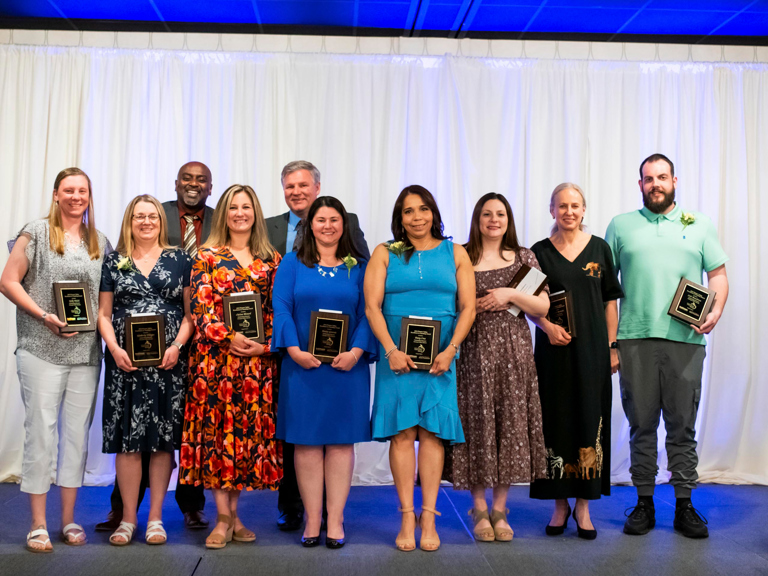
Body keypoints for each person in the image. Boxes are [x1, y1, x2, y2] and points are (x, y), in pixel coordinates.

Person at [606, 154, 729, 539]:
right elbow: (608, 293)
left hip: (686, 341)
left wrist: (717, 309)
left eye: (662, 177)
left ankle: (684, 505)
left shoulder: (699, 224)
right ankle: (643, 503)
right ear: (639, 184)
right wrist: (612, 344)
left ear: (674, 180)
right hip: (634, 339)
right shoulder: (620, 226)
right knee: (641, 424)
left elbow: (719, 274)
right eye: (648, 178)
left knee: (682, 425)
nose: (655, 183)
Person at [96, 161, 213, 532]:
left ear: (161, 221)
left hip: (168, 362)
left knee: (163, 442)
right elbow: (103, 313)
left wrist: (178, 345)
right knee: (129, 444)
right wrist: (114, 349)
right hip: (125, 362)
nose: (146, 221)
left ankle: (157, 518)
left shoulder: (180, 260)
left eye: (152, 216)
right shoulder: (114, 261)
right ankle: (128, 519)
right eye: (139, 216)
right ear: (130, 221)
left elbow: (190, 313)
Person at [0, 167, 110, 552]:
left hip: (85, 352)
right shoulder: (36, 231)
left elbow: (104, 302)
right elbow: (8, 280)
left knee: (77, 438)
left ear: (89, 196)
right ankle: (37, 523)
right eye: (69, 190)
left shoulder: (101, 240)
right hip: (40, 348)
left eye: (83, 190)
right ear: (56, 194)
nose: (76, 196)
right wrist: (43, 316)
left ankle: (68, 520)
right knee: (41, 434)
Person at [364, 185, 475, 552]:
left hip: (441, 358)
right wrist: (391, 350)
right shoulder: (384, 252)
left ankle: (429, 516)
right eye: (408, 211)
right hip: (396, 357)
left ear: (434, 213)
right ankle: (406, 516)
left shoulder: (455, 252)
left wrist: (451, 350)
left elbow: (468, 308)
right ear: (400, 218)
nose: (417, 217)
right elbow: (372, 307)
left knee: (432, 434)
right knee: (401, 435)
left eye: (423, 209)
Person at [265, 160, 369, 531]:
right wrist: (293, 350)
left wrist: (356, 352)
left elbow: (368, 313)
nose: (327, 226)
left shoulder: (360, 267)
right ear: (310, 225)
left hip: (347, 369)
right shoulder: (292, 263)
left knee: (341, 445)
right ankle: (311, 520)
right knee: (306, 445)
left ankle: (336, 521)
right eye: (320, 220)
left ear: (344, 225)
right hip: (302, 367)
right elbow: (282, 307)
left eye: (334, 220)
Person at [179, 184, 283, 549]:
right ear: (223, 213)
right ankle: (223, 517)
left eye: (246, 207)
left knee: (243, 441)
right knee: (217, 438)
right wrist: (229, 338)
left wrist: (263, 343)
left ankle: (234, 514)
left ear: (256, 213)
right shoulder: (206, 256)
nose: (240, 213)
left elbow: (278, 311)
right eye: (233, 207)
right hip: (215, 364)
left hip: (256, 367)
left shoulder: (273, 260)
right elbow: (201, 312)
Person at [449, 193, 549, 542]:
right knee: (477, 426)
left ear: (509, 219)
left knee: (508, 426)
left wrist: (508, 294)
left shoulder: (524, 257)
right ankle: (478, 507)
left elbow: (542, 304)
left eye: (501, 214)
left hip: (513, 352)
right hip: (472, 352)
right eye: (487, 214)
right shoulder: (461, 254)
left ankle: (501, 508)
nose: (494, 220)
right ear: (477, 219)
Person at [527, 183, 623, 540]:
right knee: (556, 422)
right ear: (552, 210)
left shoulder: (600, 248)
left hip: (593, 352)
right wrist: (547, 326)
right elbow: (527, 303)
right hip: (552, 353)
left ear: (584, 210)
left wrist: (613, 347)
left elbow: (609, 302)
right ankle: (559, 504)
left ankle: (583, 505)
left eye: (575, 206)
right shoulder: (538, 253)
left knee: (589, 420)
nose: (569, 211)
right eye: (562, 205)